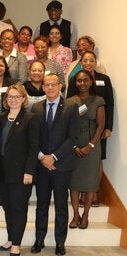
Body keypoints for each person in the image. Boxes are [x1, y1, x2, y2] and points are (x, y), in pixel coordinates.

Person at [30, 73, 79, 256]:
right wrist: (43, 157)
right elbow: (33, 137)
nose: (50, 87)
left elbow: (73, 137)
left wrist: (54, 157)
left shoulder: (71, 107)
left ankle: (60, 242)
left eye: (53, 84)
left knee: (60, 205)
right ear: (43, 87)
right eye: (46, 85)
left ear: (60, 86)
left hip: (62, 165)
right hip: (42, 165)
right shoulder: (36, 107)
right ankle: (39, 239)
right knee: (41, 204)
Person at [0, 84, 39, 256]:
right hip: (2, 171)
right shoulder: (1, 117)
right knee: (7, 208)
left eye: (16, 96)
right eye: (10, 97)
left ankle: (17, 244)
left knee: (18, 208)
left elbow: (34, 147)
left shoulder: (30, 118)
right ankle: (11, 238)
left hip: (21, 172)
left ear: (23, 98)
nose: (12, 99)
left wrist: (29, 171)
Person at [67, 51, 114, 206]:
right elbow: (67, 121)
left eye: (91, 60)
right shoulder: (72, 98)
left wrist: (107, 128)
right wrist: (73, 145)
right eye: (85, 60)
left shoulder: (102, 85)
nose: (82, 83)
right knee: (76, 172)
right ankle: (78, 203)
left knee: (94, 166)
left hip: (95, 135)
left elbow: (108, 106)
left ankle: (92, 196)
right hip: (75, 139)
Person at [67, 70, 105, 230]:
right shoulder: (70, 101)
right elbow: (66, 126)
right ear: (75, 83)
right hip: (73, 145)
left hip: (92, 145)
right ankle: (75, 214)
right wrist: (74, 146)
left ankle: (86, 215)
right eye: (79, 81)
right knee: (74, 182)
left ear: (91, 82)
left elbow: (101, 125)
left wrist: (90, 146)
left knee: (90, 182)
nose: (82, 83)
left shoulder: (98, 100)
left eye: (85, 80)